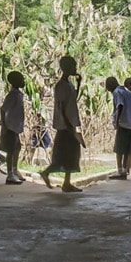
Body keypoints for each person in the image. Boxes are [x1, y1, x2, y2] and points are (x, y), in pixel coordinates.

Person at [40, 56, 84, 193]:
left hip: (69, 123)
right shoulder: (61, 85)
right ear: (66, 68)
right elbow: (62, 107)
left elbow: (72, 100)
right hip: (65, 125)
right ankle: (48, 173)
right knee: (65, 153)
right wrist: (68, 124)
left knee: (70, 153)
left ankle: (66, 182)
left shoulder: (68, 84)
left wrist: (78, 85)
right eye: (73, 66)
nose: (75, 68)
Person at [0, 71, 26, 185]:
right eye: (21, 79)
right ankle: (10, 174)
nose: (23, 81)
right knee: (11, 151)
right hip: (10, 126)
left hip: (15, 126)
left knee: (17, 148)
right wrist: (4, 126)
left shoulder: (18, 94)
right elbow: (3, 109)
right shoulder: (13, 95)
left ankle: (15, 170)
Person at [106, 77, 131, 180]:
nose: (107, 88)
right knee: (126, 149)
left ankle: (119, 171)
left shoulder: (117, 92)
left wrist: (117, 121)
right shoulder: (126, 92)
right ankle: (124, 169)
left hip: (123, 124)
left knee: (119, 148)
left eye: (107, 85)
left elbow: (120, 105)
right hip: (130, 124)